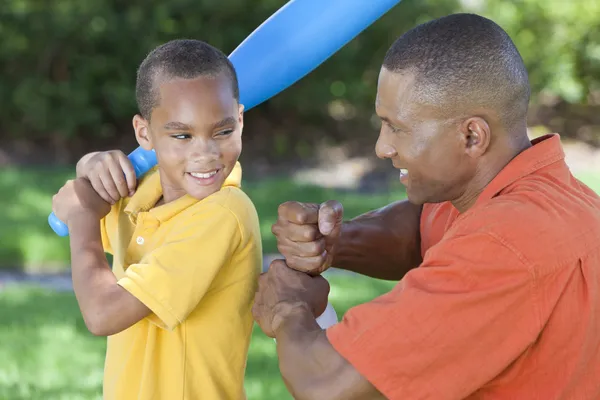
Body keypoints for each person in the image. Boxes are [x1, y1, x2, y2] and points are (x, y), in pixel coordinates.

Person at [252, 13, 600, 399]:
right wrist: (337, 240)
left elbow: (327, 384)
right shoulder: (539, 192)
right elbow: (419, 231)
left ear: (471, 135)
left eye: (398, 128)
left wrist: (287, 308)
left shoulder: (502, 244)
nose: (382, 147)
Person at [51, 39, 262, 399]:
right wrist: (88, 166)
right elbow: (63, 207)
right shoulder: (138, 195)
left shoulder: (225, 213)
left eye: (223, 131)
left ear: (240, 120)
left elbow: (103, 313)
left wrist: (83, 218)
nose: (206, 153)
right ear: (143, 132)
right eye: (182, 135)